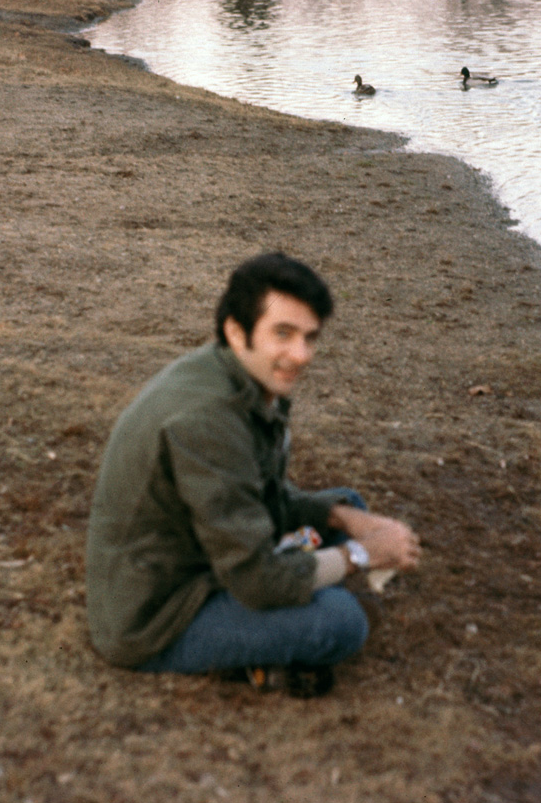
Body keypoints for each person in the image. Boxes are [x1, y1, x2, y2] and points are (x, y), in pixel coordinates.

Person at [86, 251, 421, 694]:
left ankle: (311, 595)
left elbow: (264, 496)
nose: (300, 355)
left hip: (208, 555)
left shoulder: (247, 377)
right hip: (158, 616)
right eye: (283, 334)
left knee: (348, 504)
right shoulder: (208, 418)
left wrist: (343, 519)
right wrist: (359, 556)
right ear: (236, 330)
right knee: (341, 622)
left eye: (309, 337)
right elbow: (257, 581)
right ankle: (278, 642)